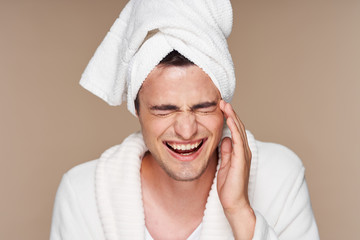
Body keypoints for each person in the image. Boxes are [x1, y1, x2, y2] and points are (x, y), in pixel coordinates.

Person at [50, 0, 319, 239]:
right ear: (137, 110)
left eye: (203, 107)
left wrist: (239, 211)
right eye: (164, 110)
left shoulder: (282, 177)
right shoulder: (81, 193)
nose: (187, 130)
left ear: (225, 108)